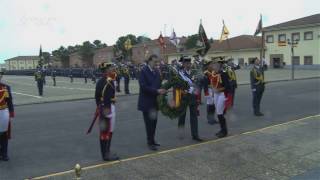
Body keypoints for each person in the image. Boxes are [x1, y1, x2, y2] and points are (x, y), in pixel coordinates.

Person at [138, 54, 166, 151]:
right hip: (146, 102)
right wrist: (156, 91)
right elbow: (143, 87)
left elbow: (159, 83)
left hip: (154, 102)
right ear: (149, 61)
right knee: (149, 123)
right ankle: (150, 142)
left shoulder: (156, 71)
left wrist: (162, 89)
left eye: (157, 62)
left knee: (154, 122)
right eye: (155, 62)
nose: (156, 63)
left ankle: (153, 140)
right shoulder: (143, 71)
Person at [94, 62, 119, 161]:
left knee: (109, 131)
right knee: (105, 131)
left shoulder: (106, 80)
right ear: (106, 70)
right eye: (111, 67)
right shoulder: (105, 81)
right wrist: (105, 108)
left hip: (106, 108)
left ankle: (107, 151)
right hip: (107, 109)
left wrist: (99, 106)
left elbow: (96, 97)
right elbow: (99, 96)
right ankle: (105, 154)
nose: (113, 68)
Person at [177, 56, 203, 142]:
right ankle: (180, 132)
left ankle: (195, 135)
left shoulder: (194, 72)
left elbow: (198, 83)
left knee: (194, 117)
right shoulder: (179, 73)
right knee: (182, 116)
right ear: (183, 64)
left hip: (193, 97)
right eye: (186, 63)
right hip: (184, 97)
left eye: (189, 63)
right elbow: (177, 85)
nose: (188, 64)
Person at [210, 57, 231, 138]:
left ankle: (224, 131)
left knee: (219, 113)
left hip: (222, 94)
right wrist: (213, 90)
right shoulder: (213, 74)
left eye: (216, 65)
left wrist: (218, 89)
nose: (214, 66)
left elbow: (227, 86)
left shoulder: (224, 74)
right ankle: (222, 129)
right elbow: (212, 84)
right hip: (216, 94)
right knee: (218, 113)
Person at [0, 70, 15, 161]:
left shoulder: (6, 87)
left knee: (3, 134)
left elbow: (9, 101)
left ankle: (4, 153)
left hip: (3, 112)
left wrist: (11, 112)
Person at [203, 59, 218, 125]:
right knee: (210, 105)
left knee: (213, 105)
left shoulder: (213, 72)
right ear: (208, 65)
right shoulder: (206, 73)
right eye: (211, 64)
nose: (212, 65)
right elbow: (205, 84)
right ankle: (209, 119)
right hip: (209, 90)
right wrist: (206, 93)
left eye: (212, 64)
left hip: (214, 90)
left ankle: (213, 118)